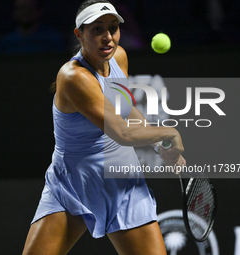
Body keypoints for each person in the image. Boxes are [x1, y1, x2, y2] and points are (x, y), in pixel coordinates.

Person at [22, 0, 186, 254]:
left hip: (123, 185)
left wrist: (158, 144)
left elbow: (126, 110)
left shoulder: (119, 57)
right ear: (79, 34)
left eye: (113, 28)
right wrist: (170, 132)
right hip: (74, 186)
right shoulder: (73, 77)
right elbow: (121, 132)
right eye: (97, 29)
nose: (108, 37)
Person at [0, 0, 64, 54]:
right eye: (21, 8)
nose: (24, 12)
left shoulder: (51, 39)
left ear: (39, 11)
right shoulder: (7, 42)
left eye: (29, 8)